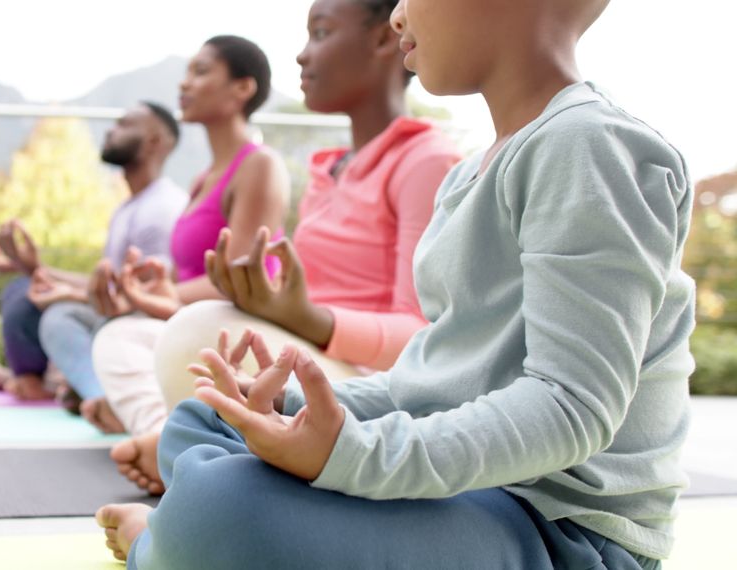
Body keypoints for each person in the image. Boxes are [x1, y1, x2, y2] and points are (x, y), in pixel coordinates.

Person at [97, 0, 695, 567]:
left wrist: (349, 455)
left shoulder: (590, 146)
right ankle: (197, 524)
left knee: (220, 510)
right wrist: (295, 406)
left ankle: (166, 540)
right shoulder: (467, 176)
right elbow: (432, 380)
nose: (400, 13)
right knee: (204, 418)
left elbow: (570, 409)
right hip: (473, 491)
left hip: (560, 534)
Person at [97, 0, 460, 495]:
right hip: (310, 351)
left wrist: (308, 320)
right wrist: (260, 299)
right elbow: (307, 297)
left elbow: (424, 335)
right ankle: (188, 440)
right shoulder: (328, 171)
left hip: (372, 386)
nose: (301, 57)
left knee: (191, 333)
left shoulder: (426, 160)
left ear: (383, 38)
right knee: (132, 338)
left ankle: (190, 443)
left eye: (322, 33)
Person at [74, 34, 290, 431]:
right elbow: (185, 274)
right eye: (187, 72)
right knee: (110, 331)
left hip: (237, 327)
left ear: (242, 88)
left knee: (118, 338)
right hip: (190, 319)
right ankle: (156, 423)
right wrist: (143, 283)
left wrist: (158, 297)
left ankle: (158, 436)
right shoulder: (199, 180)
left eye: (201, 72)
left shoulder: (259, 166)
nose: (184, 84)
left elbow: (238, 282)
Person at [0, 101, 187, 407]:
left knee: (58, 315)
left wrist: (65, 293)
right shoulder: (128, 208)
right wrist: (33, 268)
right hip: (112, 311)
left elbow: (142, 295)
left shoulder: (163, 207)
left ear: (155, 142)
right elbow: (103, 282)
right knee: (23, 289)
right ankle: (41, 383)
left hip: (138, 322)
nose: (112, 129)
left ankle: (105, 400)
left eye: (125, 124)